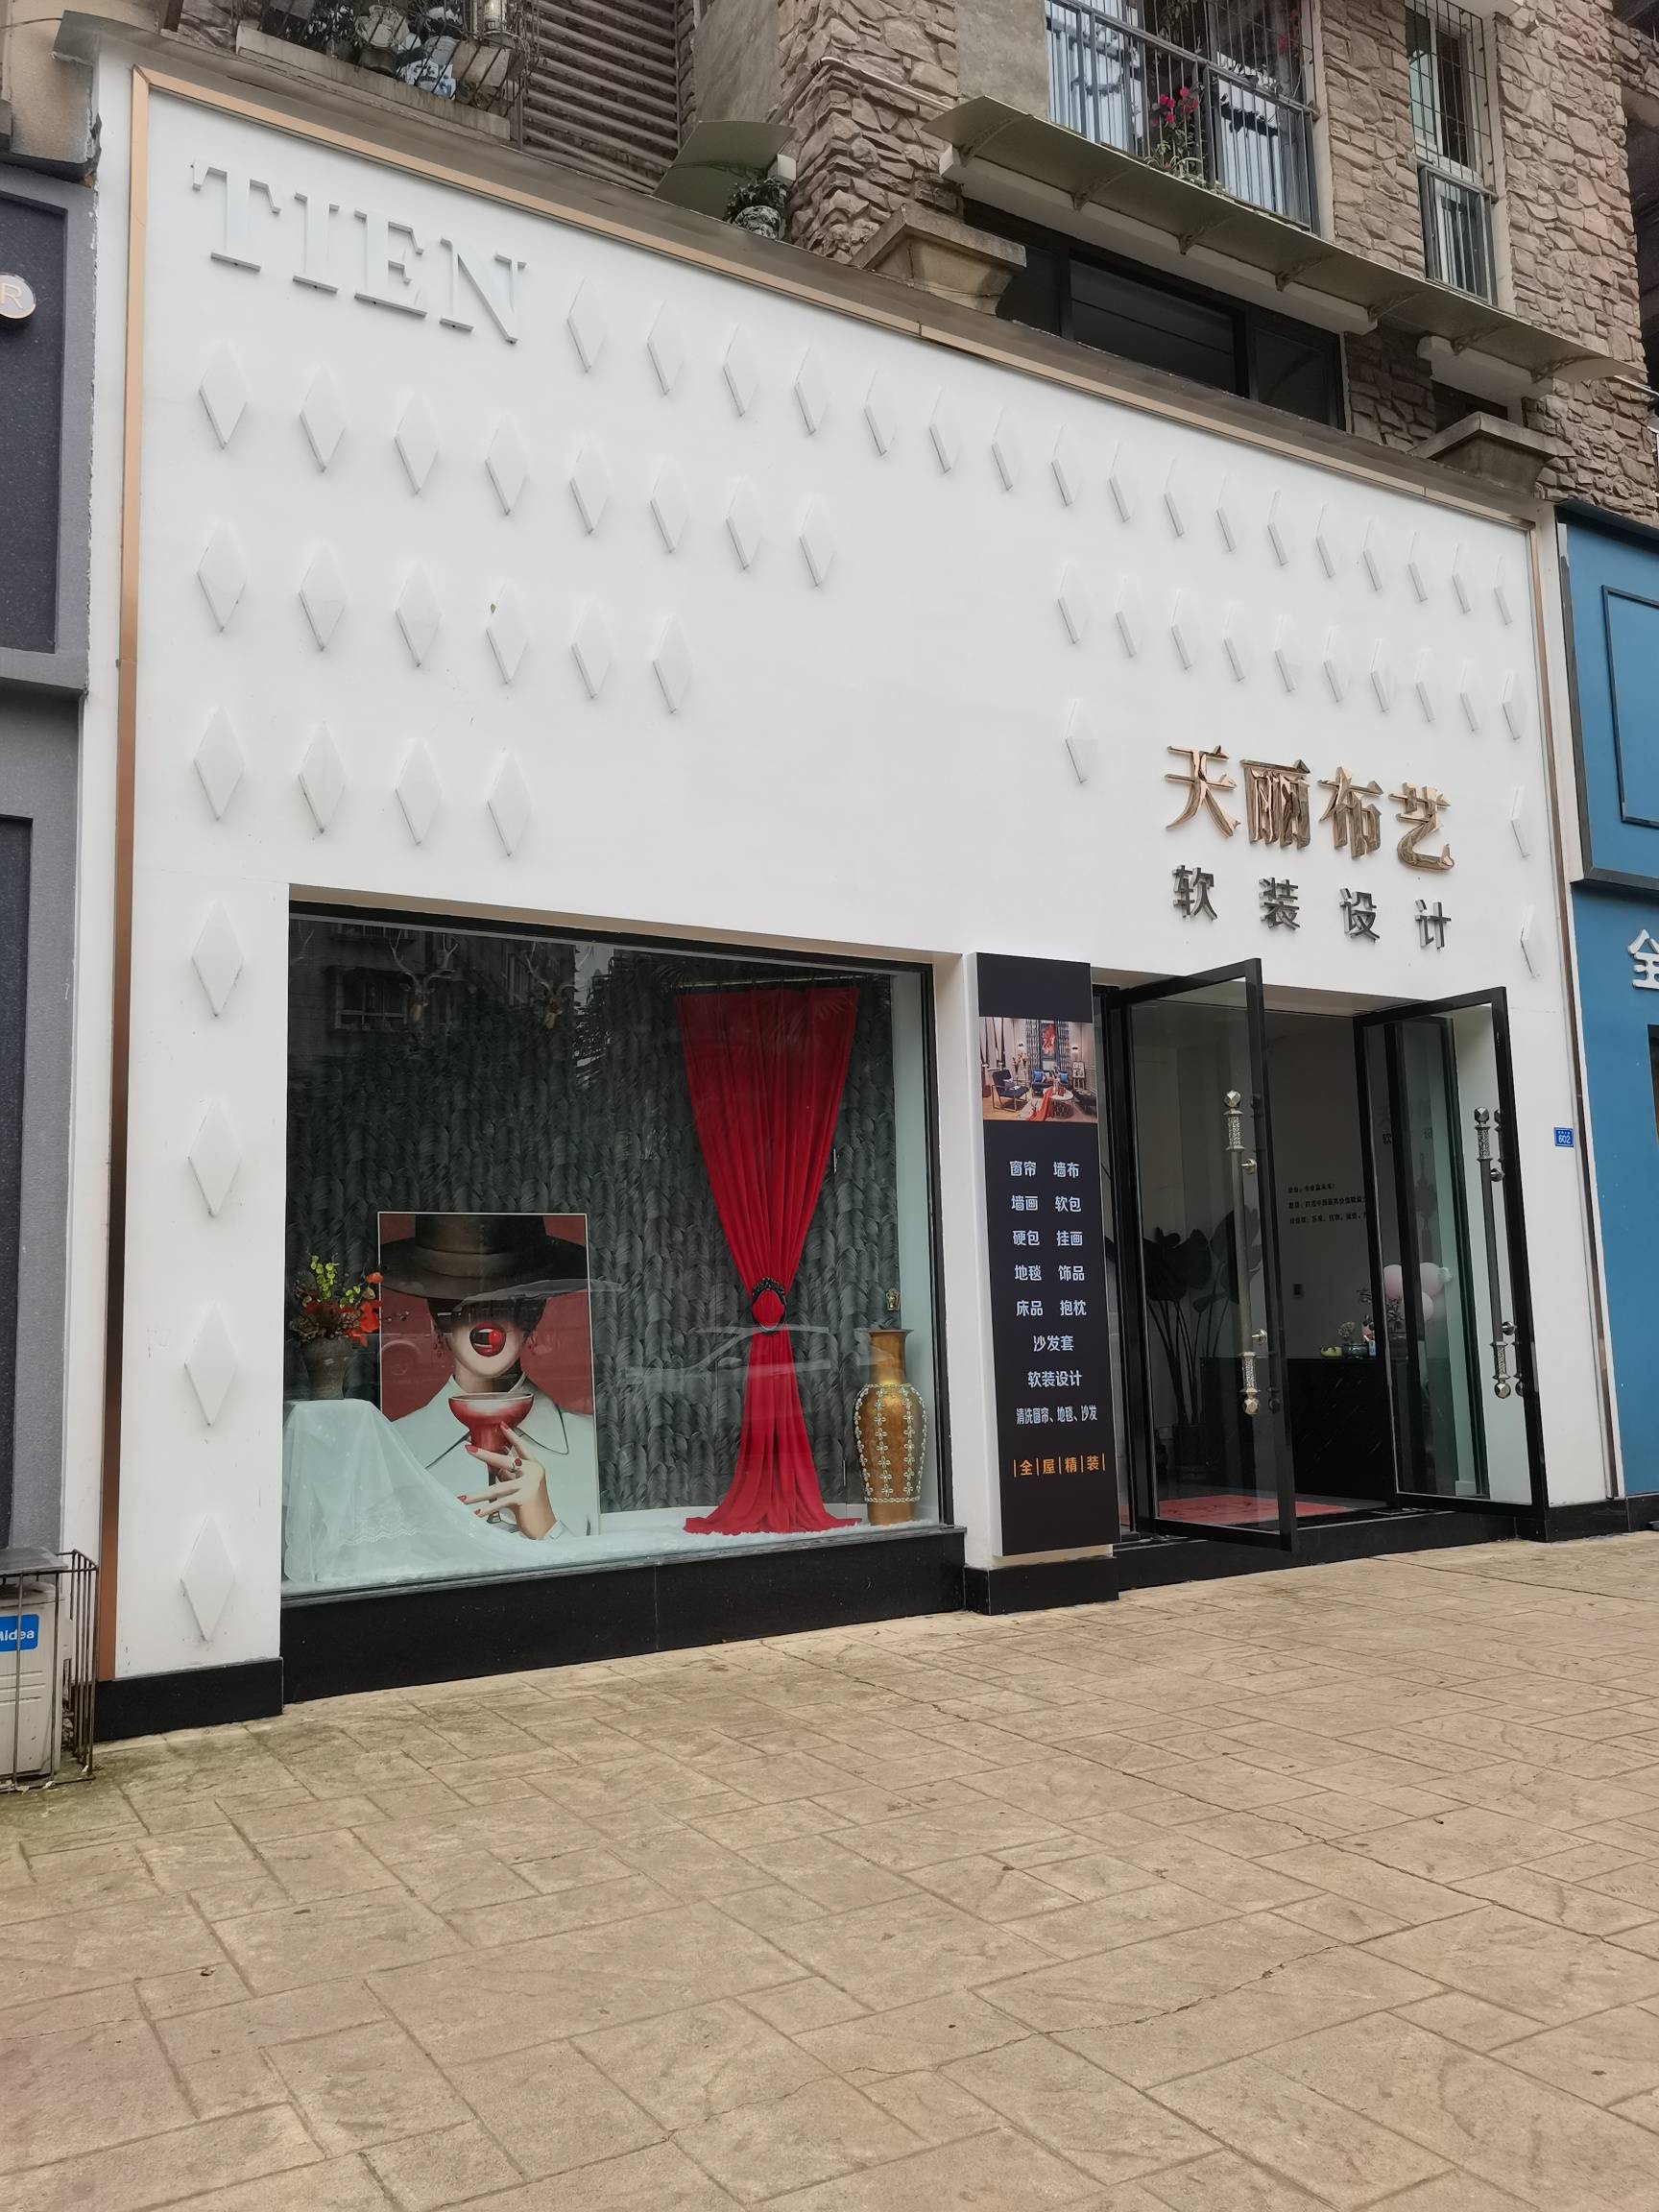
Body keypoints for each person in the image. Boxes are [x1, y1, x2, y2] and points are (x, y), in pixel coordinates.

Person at [378, 1214, 600, 1539]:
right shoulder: (392, 1448)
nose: (486, 1314)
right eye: (459, 1300)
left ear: (533, 1319)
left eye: (510, 1299)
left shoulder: (590, 1441)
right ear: (437, 1324)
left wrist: (550, 1531)